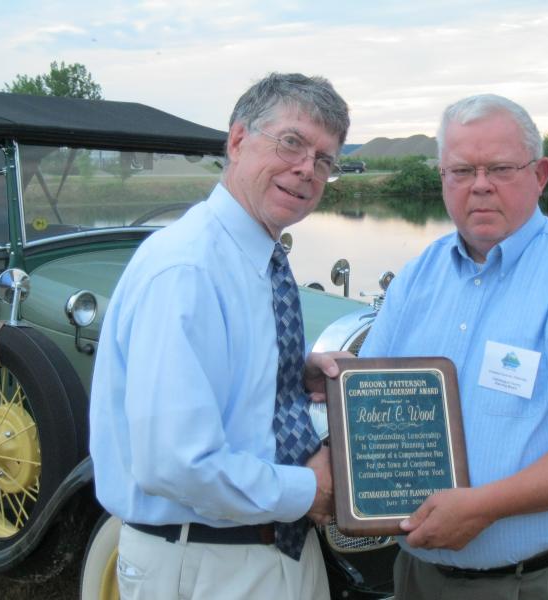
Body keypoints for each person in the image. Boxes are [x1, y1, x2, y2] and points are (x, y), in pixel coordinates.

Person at [357, 94, 548, 599]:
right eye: (460, 170)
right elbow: (369, 394)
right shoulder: (416, 278)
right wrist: (333, 383)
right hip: (418, 576)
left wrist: (482, 507)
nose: (479, 185)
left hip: (544, 580)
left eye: (499, 167)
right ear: (442, 179)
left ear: (540, 175)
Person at [89, 72, 349, 600]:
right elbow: (176, 465)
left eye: (324, 160)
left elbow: (221, 383)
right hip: (205, 563)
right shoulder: (186, 269)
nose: (306, 169)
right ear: (237, 140)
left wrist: (286, 375)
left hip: (276, 552)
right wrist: (313, 487)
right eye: (292, 143)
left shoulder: (257, 256)